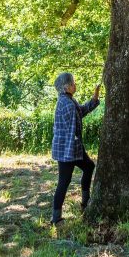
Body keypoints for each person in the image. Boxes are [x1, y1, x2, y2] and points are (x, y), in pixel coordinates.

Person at [51, 72, 101, 225]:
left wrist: (95, 96)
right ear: (66, 87)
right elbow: (75, 126)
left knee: (88, 167)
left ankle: (85, 202)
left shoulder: (67, 100)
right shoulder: (67, 104)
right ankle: (56, 218)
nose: (75, 85)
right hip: (68, 150)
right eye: (73, 83)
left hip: (68, 149)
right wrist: (76, 144)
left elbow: (82, 110)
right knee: (64, 181)